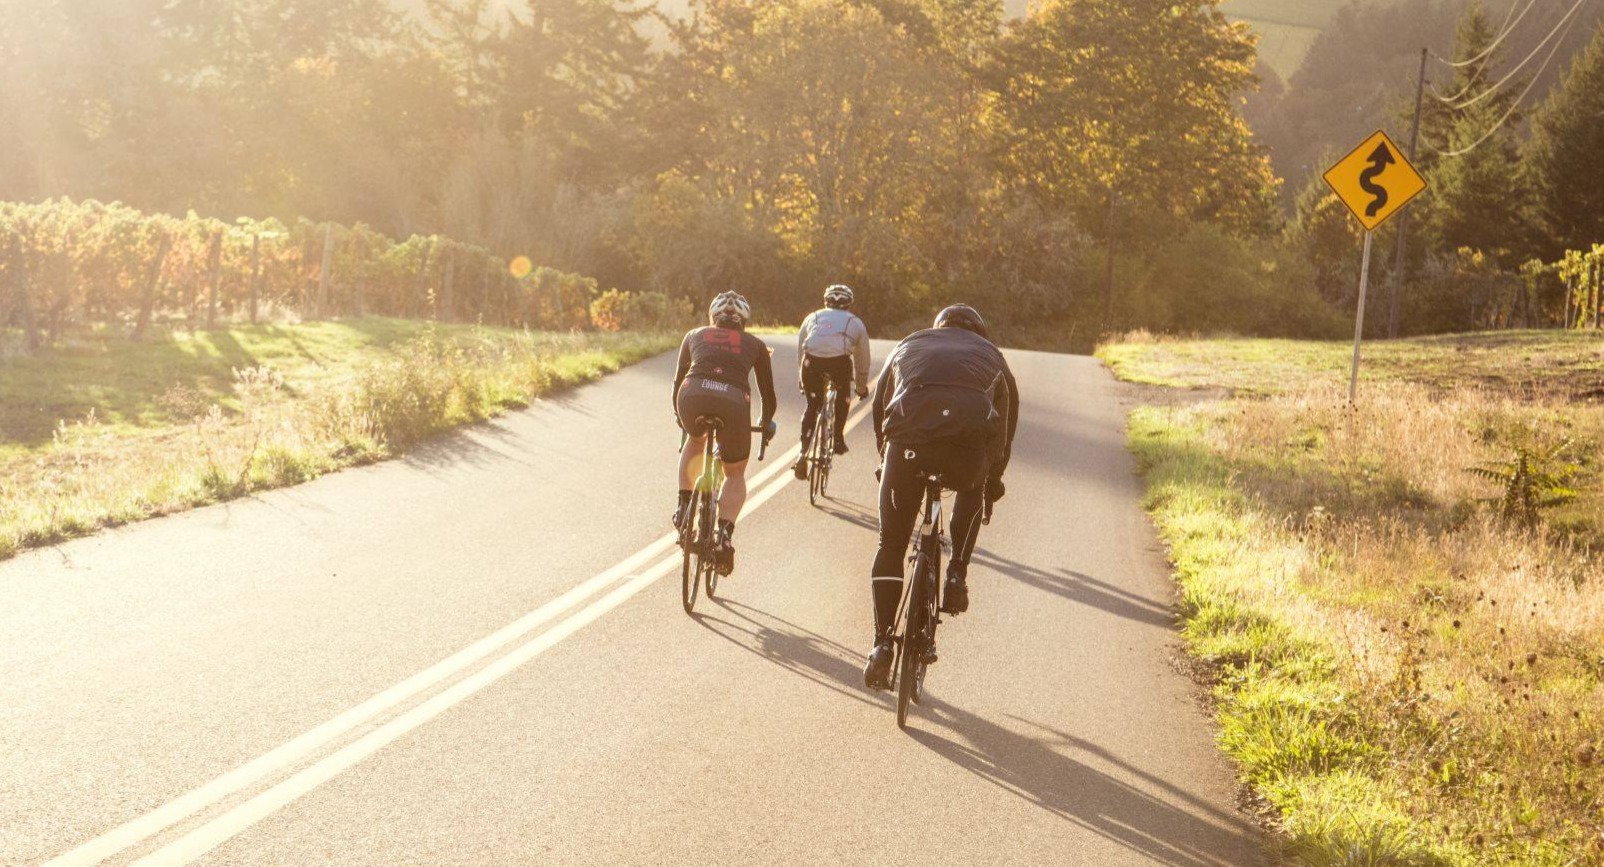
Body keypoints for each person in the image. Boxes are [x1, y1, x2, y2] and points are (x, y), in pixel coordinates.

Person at [862, 304, 1018, 690]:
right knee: (973, 485)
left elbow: (880, 404)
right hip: (965, 454)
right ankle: (957, 574)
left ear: (937, 328)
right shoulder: (993, 355)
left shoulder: (909, 344)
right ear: (979, 332)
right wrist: (993, 480)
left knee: (891, 543)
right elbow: (1006, 427)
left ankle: (882, 644)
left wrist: (887, 457)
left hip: (908, 447)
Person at [672, 291, 778, 575]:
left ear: (712, 316)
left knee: (695, 440)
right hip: (733, 404)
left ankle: (683, 505)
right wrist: (766, 423)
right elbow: (768, 396)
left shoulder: (694, 334)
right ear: (744, 320)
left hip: (691, 396)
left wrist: (679, 415)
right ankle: (724, 537)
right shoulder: (755, 344)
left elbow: (678, 381)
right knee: (734, 473)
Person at [791, 284, 872, 479]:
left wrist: (802, 379)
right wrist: (861, 387)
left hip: (811, 363)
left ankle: (803, 453)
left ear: (825, 301)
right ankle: (837, 439)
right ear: (849, 304)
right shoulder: (855, 322)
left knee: (812, 404)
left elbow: (801, 349)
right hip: (839, 363)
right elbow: (863, 359)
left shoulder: (812, 317)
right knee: (843, 397)